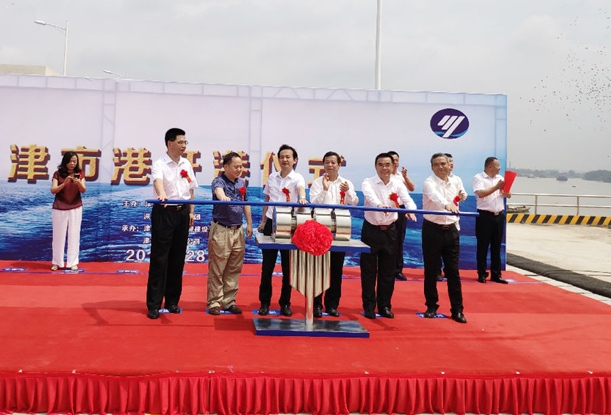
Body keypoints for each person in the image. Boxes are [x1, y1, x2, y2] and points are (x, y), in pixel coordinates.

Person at [146, 128, 198, 320]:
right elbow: (157, 181)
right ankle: (154, 304)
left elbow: (191, 189)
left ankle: (172, 301)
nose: (184, 145)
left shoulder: (186, 164)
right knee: (160, 259)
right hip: (164, 211)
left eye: (185, 142)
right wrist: (162, 194)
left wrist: (191, 212)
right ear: (170, 143)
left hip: (182, 212)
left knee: (178, 258)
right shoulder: (159, 164)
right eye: (180, 142)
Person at [360, 153, 417, 319]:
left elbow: (407, 199)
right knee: (369, 271)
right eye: (380, 164)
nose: (384, 168)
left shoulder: (398, 183)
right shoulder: (367, 182)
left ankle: (384, 306)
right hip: (371, 230)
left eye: (387, 165)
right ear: (375, 166)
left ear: (393, 167)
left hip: (391, 231)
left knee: (388, 271)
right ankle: (369, 307)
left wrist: (411, 211)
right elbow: (370, 197)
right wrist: (379, 205)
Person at [257, 144, 308, 317]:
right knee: (267, 266)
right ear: (278, 159)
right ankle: (264, 302)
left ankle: (285, 303)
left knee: (288, 268)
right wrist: (263, 222)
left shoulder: (298, 178)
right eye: (282, 157)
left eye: (288, 157)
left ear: (295, 160)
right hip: (271, 222)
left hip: (289, 224)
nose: (284, 160)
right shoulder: (272, 177)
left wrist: (302, 198)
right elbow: (267, 199)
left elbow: (301, 189)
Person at [309, 151, 359, 318]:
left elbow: (354, 202)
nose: (329, 165)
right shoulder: (317, 183)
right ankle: (317, 305)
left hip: (340, 229)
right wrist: (324, 189)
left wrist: (348, 192)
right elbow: (313, 203)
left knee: (336, 270)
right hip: (321, 230)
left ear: (339, 164)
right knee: (319, 269)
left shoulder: (346, 183)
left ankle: (332, 305)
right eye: (327, 162)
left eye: (333, 162)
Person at [421, 152, 467, 324]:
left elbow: (463, 194)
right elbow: (436, 197)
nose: (440, 167)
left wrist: (462, 196)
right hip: (432, 229)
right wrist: (447, 205)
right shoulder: (429, 182)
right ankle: (431, 306)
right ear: (432, 167)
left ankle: (457, 309)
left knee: (453, 271)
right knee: (431, 270)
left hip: (452, 230)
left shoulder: (457, 180)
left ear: (449, 165)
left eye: (443, 164)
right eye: (436, 164)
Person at [207, 152, 253, 315]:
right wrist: (223, 197)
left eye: (241, 166)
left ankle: (229, 301)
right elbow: (219, 192)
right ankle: (214, 302)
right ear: (226, 167)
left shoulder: (241, 182)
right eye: (236, 166)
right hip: (222, 229)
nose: (239, 169)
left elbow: (245, 203)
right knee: (217, 267)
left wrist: (249, 223)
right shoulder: (218, 181)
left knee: (234, 267)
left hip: (238, 229)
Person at [473, 156, 512, 284]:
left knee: (497, 246)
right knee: (483, 246)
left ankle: (496, 274)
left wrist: (505, 191)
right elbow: (480, 193)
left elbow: (508, 195)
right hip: (485, 216)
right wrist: (496, 187)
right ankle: (482, 273)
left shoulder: (500, 178)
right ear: (490, 166)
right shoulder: (479, 178)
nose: (499, 168)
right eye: (497, 165)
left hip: (499, 215)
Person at [50, 151, 87, 271]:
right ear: (65, 162)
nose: (72, 163)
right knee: (58, 236)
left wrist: (78, 183)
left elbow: (83, 190)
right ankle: (57, 262)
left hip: (75, 207)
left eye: (74, 161)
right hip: (59, 207)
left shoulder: (79, 174)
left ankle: (73, 262)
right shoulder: (58, 174)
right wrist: (64, 184)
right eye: (70, 161)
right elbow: (53, 190)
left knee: (74, 235)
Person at [387, 151, 416, 282]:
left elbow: (412, 188)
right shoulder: (384, 175)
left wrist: (405, 177)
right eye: (392, 160)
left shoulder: (401, 176)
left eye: (397, 160)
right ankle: (385, 268)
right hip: (388, 209)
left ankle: (397, 270)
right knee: (387, 239)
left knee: (399, 239)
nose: (395, 162)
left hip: (401, 209)